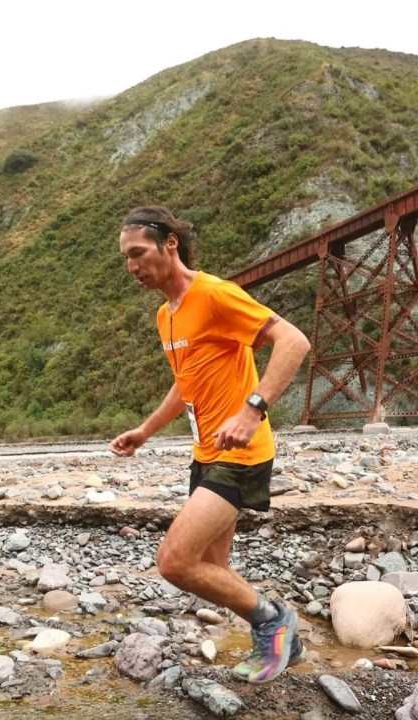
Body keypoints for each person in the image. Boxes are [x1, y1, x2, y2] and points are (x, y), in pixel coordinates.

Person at [110, 206, 311, 684]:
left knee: (175, 562)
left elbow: (294, 341)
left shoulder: (215, 294)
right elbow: (187, 382)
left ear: (170, 244)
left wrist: (252, 409)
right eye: (126, 259)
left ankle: (274, 622)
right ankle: (285, 642)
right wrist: (146, 430)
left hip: (241, 454)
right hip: (206, 452)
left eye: (138, 253)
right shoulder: (166, 315)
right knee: (211, 568)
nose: (133, 266)